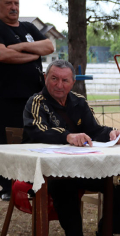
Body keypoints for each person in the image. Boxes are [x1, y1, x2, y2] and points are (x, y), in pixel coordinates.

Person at [23, 60, 120, 236]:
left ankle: (105, 235)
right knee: (64, 183)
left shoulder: (79, 101)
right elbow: (37, 131)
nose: (59, 85)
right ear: (45, 78)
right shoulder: (36, 102)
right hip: (46, 171)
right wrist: (67, 136)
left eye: (65, 80)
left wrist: (112, 134)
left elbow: (94, 130)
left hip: (82, 167)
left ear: (73, 82)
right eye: (54, 79)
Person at [0, 0, 53, 201]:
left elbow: (48, 46)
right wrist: (33, 54)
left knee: (33, 139)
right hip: (8, 97)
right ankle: (8, 186)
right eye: (8, 3)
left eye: (16, 2)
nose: (14, 7)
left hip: (35, 97)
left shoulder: (28, 27)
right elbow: (3, 54)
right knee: (8, 142)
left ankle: (31, 184)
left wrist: (21, 46)